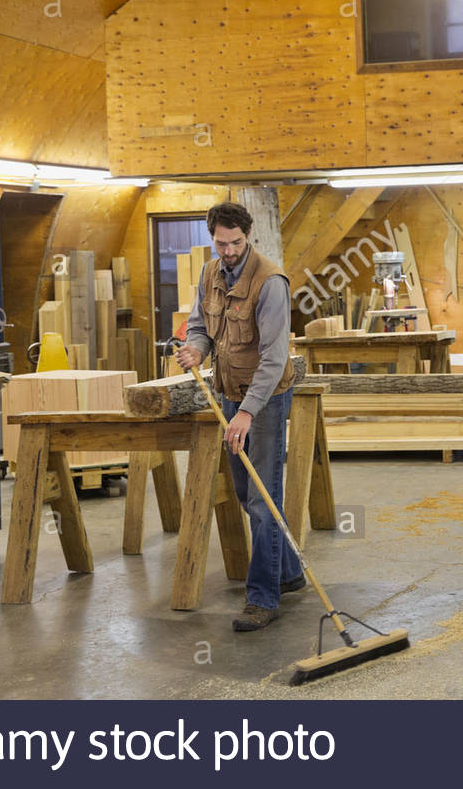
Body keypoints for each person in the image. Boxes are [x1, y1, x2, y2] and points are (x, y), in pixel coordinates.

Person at [175, 202, 305, 631]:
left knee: (263, 496)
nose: (228, 251)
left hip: (264, 399)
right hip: (228, 392)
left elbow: (273, 358)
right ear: (212, 237)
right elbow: (198, 326)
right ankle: (288, 573)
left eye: (235, 243)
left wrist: (247, 412)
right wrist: (197, 349)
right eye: (220, 243)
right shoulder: (210, 274)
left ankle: (262, 599)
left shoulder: (270, 281)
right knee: (249, 491)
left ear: (247, 236)